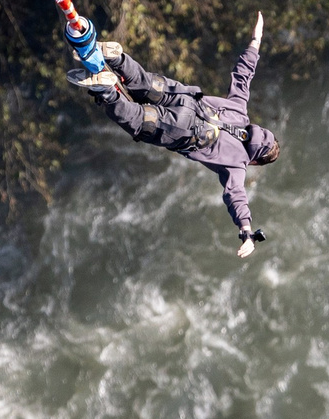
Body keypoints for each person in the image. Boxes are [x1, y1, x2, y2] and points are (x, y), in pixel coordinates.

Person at [69, 13, 281, 256]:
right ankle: (106, 90)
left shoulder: (240, 109)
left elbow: (243, 75)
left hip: (186, 98)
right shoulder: (238, 166)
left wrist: (256, 41)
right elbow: (236, 198)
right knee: (137, 120)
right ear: (255, 160)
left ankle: (117, 58)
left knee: (145, 84)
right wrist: (247, 232)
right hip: (182, 129)